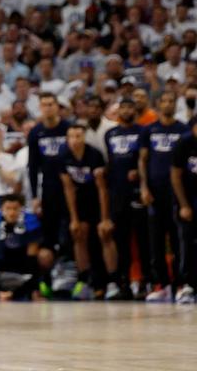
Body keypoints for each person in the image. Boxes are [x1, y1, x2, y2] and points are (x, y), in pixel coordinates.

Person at [140, 92, 186, 302]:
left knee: (179, 240)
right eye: (164, 101)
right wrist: (143, 187)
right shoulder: (149, 130)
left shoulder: (183, 130)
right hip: (155, 192)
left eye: (171, 101)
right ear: (157, 105)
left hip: (177, 193)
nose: (168, 104)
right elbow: (142, 160)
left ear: (175, 104)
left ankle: (181, 283)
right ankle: (161, 284)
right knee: (155, 240)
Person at [60, 123, 114, 300]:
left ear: (84, 137)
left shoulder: (94, 155)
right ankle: (84, 279)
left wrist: (105, 218)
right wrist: (74, 218)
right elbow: (68, 189)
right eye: (71, 137)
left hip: (98, 200)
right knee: (78, 234)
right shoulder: (64, 156)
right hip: (79, 201)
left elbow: (102, 189)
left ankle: (112, 280)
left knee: (104, 234)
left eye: (78, 136)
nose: (75, 140)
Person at [102, 98, 147, 299]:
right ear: (119, 111)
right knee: (120, 241)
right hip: (117, 194)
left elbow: (147, 160)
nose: (127, 110)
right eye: (123, 107)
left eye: (130, 107)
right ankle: (123, 283)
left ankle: (145, 282)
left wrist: (138, 173)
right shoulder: (110, 133)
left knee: (142, 239)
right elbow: (110, 162)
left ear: (135, 110)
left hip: (137, 192)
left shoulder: (143, 132)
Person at [29, 93, 71, 254]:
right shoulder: (35, 132)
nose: (48, 108)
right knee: (49, 230)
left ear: (57, 107)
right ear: (40, 108)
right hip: (48, 187)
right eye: (44, 104)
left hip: (68, 186)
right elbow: (32, 166)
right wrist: (34, 196)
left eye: (51, 104)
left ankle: (72, 267)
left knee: (69, 228)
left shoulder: (68, 128)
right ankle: (51, 272)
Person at [171, 119, 197, 304]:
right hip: (189, 199)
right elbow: (176, 176)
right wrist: (184, 205)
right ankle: (187, 284)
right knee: (187, 242)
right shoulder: (184, 143)